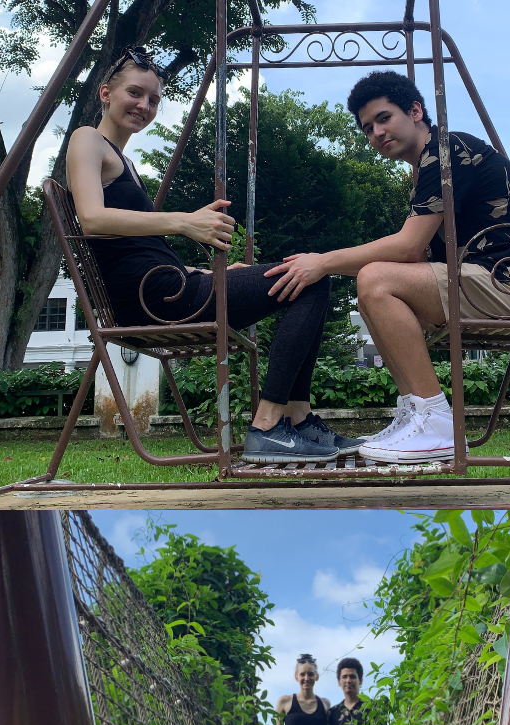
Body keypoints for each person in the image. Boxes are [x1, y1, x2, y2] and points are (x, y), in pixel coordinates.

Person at [65, 46, 360, 464]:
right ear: (105, 93)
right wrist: (183, 221)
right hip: (153, 300)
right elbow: (92, 219)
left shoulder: (125, 164)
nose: (144, 106)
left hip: (165, 288)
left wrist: (205, 269)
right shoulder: (87, 139)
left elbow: (142, 250)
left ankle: (297, 419)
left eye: (153, 100)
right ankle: (270, 426)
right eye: (136, 93)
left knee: (305, 274)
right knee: (310, 281)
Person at [262, 71, 510, 464]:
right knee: (374, 288)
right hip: (501, 282)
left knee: (376, 280)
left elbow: (408, 247)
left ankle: (437, 423)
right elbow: (416, 256)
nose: (376, 133)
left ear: (416, 111)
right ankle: (416, 414)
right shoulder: (428, 165)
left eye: (384, 118)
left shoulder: (447, 151)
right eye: (367, 128)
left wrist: (323, 263)